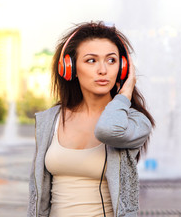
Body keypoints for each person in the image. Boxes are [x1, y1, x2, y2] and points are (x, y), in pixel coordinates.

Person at [27, 22, 155, 217]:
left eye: (111, 61)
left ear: (123, 69)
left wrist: (125, 94)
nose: (103, 70)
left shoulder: (135, 122)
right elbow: (37, 196)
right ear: (69, 68)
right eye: (91, 61)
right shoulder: (50, 120)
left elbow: (107, 130)